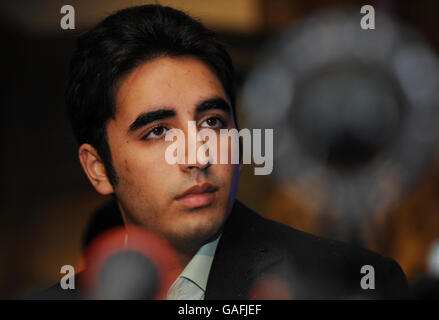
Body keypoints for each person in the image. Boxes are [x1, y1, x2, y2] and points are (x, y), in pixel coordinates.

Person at [45, 4, 410, 299]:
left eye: (214, 122)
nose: (198, 157)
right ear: (97, 169)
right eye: (158, 131)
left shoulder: (348, 286)